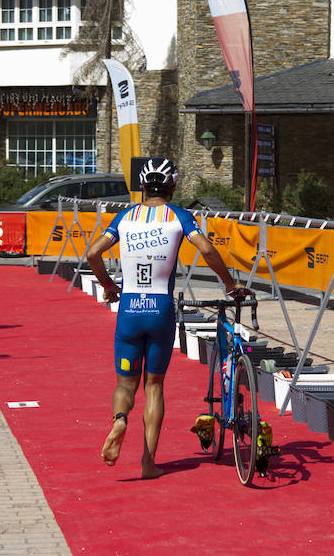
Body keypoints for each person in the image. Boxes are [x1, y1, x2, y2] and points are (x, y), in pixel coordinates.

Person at [85, 158, 249, 479]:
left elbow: (92, 253)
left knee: (125, 383)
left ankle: (120, 419)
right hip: (160, 308)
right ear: (173, 186)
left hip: (130, 308)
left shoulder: (124, 216)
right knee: (155, 386)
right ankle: (148, 462)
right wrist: (229, 284)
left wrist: (107, 285)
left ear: (142, 187)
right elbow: (207, 249)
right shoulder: (180, 216)